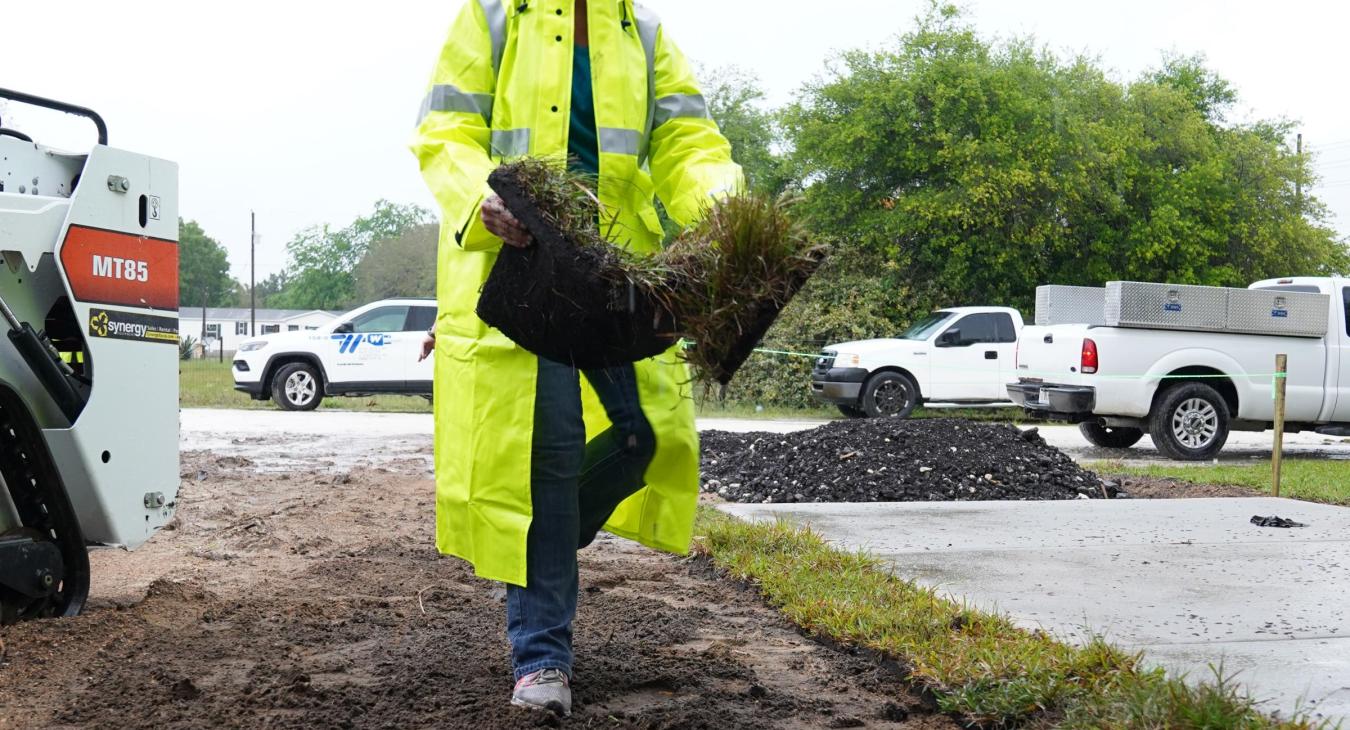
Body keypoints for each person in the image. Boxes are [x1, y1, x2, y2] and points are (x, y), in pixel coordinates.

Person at [411, 0, 741, 718]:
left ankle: (545, 537)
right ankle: (541, 657)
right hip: (523, 272)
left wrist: (722, 208)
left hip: (616, 274)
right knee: (550, 453)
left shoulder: (645, 35)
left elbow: (691, 146)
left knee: (644, 439)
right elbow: (444, 132)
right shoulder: (495, 18)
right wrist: (484, 200)